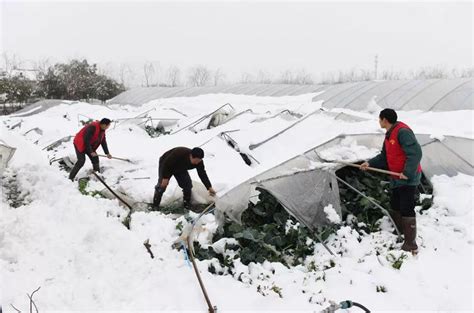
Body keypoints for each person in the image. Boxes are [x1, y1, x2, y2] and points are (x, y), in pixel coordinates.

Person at [360, 108, 422, 254]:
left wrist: (407, 172)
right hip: (396, 177)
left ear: (385, 120)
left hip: (408, 178)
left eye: (379, 119)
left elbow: (416, 153)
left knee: (407, 208)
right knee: (395, 204)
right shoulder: (389, 135)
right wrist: (369, 163)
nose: (379, 121)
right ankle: (400, 232)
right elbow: (384, 156)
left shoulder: (402, 132)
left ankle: (410, 244)